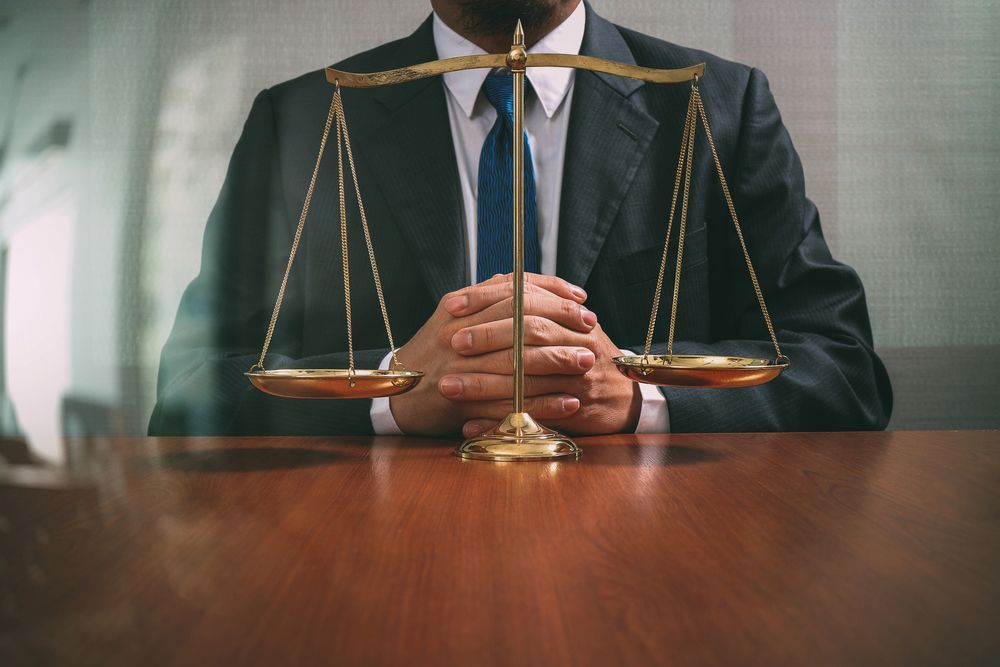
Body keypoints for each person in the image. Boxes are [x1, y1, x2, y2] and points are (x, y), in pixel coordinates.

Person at [148, 0, 892, 437]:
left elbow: (844, 370)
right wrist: (392, 392)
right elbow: (188, 392)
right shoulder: (302, 121)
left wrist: (636, 393)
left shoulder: (718, 106)